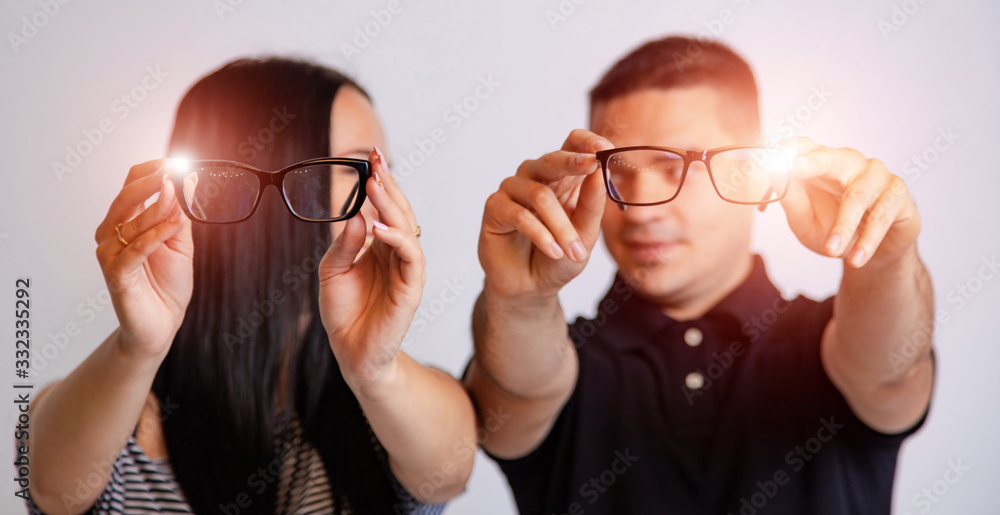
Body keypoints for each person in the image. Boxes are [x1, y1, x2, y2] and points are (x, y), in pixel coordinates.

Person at [465, 36, 934, 514]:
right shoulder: (560, 359)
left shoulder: (834, 341)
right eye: (618, 170)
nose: (639, 210)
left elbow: (890, 367)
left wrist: (884, 258)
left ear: (751, 170)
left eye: (675, 167)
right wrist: (518, 299)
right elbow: (517, 390)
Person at [24, 58, 475, 515]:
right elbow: (52, 486)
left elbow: (451, 471)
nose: (384, 197)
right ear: (261, 184)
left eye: (385, 170)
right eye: (361, 166)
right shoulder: (109, 411)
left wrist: (376, 370)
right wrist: (138, 345)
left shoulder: (390, 404)